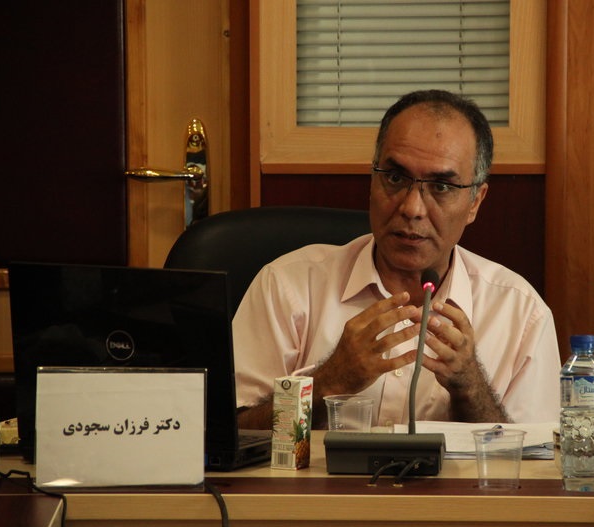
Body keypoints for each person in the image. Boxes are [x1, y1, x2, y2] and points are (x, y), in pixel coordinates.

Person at [234, 89, 560, 430]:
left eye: (441, 187)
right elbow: (232, 434)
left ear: (475, 202)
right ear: (372, 181)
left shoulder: (521, 314)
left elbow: (536, 457)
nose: (412, 208)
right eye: (395, 178)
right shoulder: (288, 285)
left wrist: (471, 389)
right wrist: (330, 380)